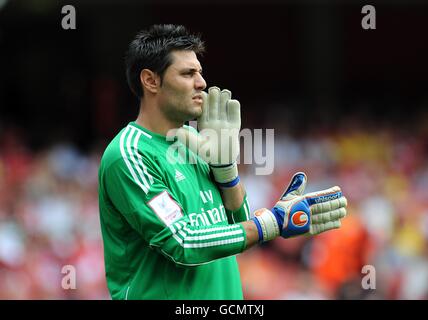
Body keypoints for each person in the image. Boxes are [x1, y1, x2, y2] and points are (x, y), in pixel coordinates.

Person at [98, 24, 348, 300]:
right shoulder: (129, 154)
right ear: (151, 80)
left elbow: (237, 221)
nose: (201, 83)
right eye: (187, 73)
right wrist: (272, 222)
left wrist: (226, 169)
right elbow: (182, 242)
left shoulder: (193, 140)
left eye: (200, 73)